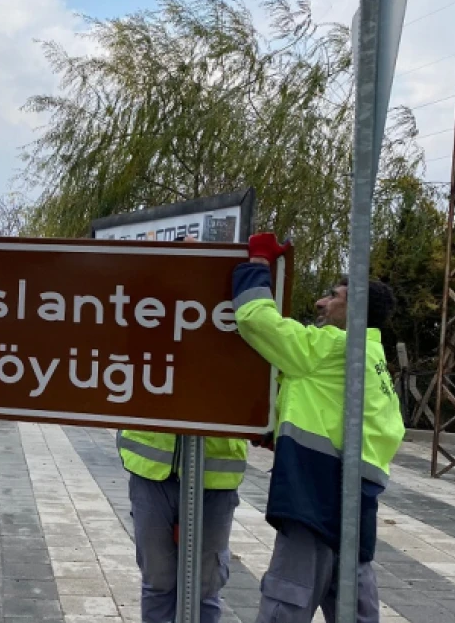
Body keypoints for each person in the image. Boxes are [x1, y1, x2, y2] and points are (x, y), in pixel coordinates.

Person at [231, 233, 405, 623]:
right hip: (355, 500)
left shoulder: (334, 348)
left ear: (355, 309)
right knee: (353, 600)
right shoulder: (373, 356)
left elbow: (255, 320)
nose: (321, 302)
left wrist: (256, 264)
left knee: (286, 598)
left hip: (315, 493)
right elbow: (357, 420)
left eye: (334, 296)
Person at [117, 237, 250, 623]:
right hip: (150, 472)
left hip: (215, 474)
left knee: (205, 588)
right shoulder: (148, 312)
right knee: (158, 582)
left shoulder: (236, 315)